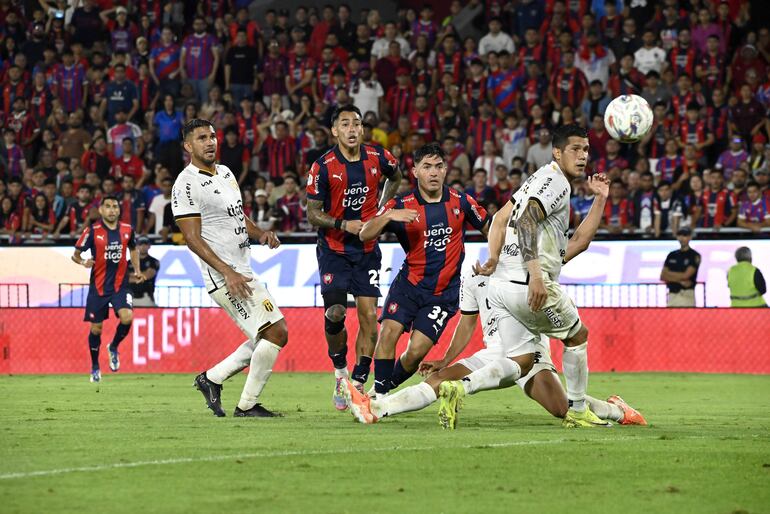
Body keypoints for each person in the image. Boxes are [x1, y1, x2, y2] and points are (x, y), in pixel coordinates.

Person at [442, 124, 610, 429]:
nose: (583, 155)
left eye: (586, 149)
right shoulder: (555, 182)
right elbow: (528, 222)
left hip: (502, 287)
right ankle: (579, 409)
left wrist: (493, 257)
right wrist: (535, 276)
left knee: (521, 362)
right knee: (577, 336)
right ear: (557, 153)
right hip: (527, 284)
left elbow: (502, 220)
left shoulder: (536, 180)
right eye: (575, 149)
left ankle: (460, 386)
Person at [344, 263, 646, 428]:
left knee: (560, 408)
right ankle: (377, 408)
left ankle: (615, 410)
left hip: (529, 353)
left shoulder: (528, 273)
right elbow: (467, 322)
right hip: (492, 353)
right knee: (438, 379)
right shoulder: (474, 277)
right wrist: (445, 359)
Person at [343, 142, 490, 402]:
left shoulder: (461, 201)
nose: (433, 172)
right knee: (389, 332)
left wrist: (496, 258)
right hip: (409, 285)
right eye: (427, 167)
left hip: (443, 293)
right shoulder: (401, 204)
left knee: (415, 353)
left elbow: (491, 226)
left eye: (438, 166)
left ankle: (380, 389)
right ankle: (379, 398)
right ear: (415, 172)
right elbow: (365, 233)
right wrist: (388, 217)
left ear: (445, 170)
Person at [172, 119, 286, 417]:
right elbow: (192, 239)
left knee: (267, 336)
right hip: (224, 277)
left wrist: (259, 233)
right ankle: (245, 405)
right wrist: (226, 271)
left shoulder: (225, 172)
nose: (210, 142)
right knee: (276, 332)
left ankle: (211, 379)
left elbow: (237, 216)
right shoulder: (185, 184)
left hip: (242, 269)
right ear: (188, 146)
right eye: (201, 138)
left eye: (212, 136)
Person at [305, 104, 402, 410]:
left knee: (369, 316)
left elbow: (395, 176)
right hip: (333, 249)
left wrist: (381, 210)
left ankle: (358, 380)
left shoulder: (378, 157)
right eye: (344, 124)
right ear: (334, 131)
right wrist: (342, 224)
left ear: (362, 129)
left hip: (367, 250)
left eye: (356, 124)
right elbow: (312, 214)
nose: (351, 129)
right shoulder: (322, 166)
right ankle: (339, 372)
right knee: (335, 313)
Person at [71, 195, 145, 383]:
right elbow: (75, 255)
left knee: (127, 317)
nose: (112, 210)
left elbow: (133, 249)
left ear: (119, 210)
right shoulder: (92, 231)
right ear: (101, 210)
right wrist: (83, 261)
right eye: (108, 207)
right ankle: (95, 366)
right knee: (96, 329)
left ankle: (113, 346)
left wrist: (136, 270)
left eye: (115, 206)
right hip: (98, 288)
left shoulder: (128, 230)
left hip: (120, 285)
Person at [660, 227, 701, 307]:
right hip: (672, 295)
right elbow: (662, 276)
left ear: (690, 237)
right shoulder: (672, 255)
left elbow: (686, 275)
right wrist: (680, 280)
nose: (682, 238)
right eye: (680, 235)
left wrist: (670, 275)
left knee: (687, 318)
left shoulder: (694, 255)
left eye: (685, 235)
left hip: (686, 294)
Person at [127, 236, 160, 307]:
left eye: (145, 244)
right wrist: (141, 275)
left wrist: (132, 275)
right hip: (130, 297)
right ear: (137, 246)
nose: (143, 246)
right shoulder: (129, 262)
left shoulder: (153, 261)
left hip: (146, 296)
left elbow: (148, 275)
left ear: (149, 246)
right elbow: (125, 278)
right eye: (140, 244)